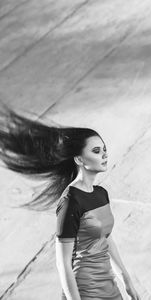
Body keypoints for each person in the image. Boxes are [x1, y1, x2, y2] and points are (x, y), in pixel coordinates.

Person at [0, 105, 140, 300]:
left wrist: (127, 281)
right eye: (97, 151)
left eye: (105, 149)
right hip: (84, 290)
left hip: (108, 286)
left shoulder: (101, 194)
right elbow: (63, 263)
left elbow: (106, 239)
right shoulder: (70, 202)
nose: (105, 154)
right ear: (79, 159)